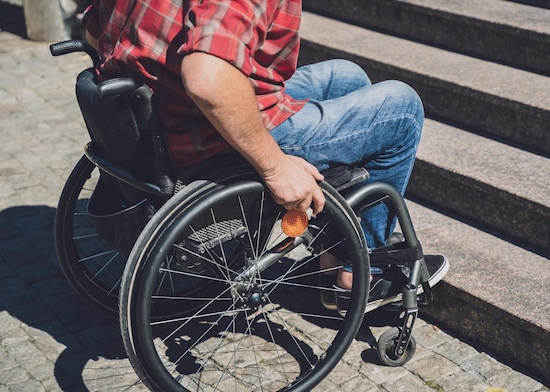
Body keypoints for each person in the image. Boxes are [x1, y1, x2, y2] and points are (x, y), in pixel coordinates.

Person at [82, 0, 447, 311]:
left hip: (158, 122)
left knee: (346, 76)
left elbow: (94, 33)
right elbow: (208, 79)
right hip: (208, 136)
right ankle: (360, 277)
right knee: (401, 108)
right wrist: (276, 169)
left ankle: (334, 245)